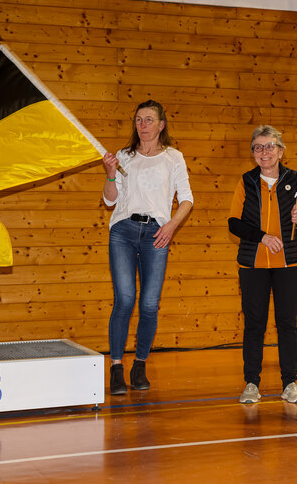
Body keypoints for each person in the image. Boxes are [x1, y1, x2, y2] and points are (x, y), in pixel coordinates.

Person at [102, 100, 193, 396]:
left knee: (150, 304)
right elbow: (110, 200)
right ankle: (116, 367)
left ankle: (140, 364)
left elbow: (187, 199)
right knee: (125, 299)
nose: (143, 125)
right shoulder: (124, 156)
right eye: (139, 120)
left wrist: (171, 226)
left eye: (149, 119)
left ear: (161, 124)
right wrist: (110, 173)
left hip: (157, 232)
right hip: (123, 232)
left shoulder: (173, 157)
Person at [228, 125, 297, 404]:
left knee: (287, 324)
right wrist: (262, 237)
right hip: (253, 266)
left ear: (281, 151)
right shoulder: (246, 182)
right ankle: (252, 383)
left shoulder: (296, 180)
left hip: (290, 264)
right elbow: (234, 223)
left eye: (269, 146)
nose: (264, 152)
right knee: (255, 324)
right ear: (253, 152)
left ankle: (290, 383)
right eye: (258, 147)